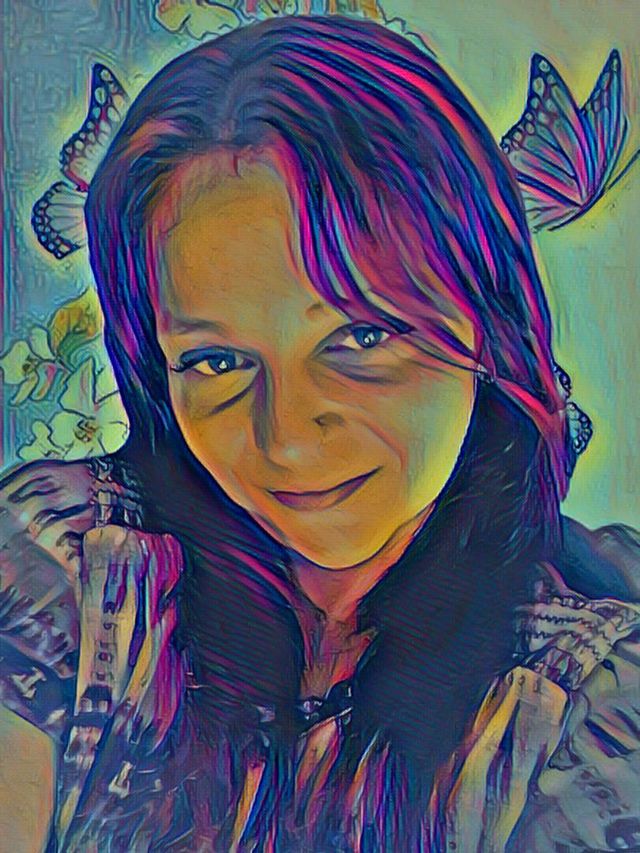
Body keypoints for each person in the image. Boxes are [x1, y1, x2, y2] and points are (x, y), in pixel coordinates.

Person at [1, 14, 639, 852]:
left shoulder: (583, 684)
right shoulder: (72, 567)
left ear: (487, 324)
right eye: (218, 361)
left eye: (361, 337)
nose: (287, 439)